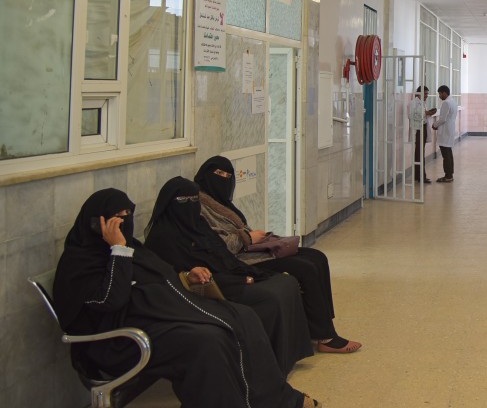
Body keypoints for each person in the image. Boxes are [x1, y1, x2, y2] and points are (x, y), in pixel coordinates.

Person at [54, 189, 317, 408]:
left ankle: (276, 401)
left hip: (155, 318)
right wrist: (118, 250)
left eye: (127, 216)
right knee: (208, 340)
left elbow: (159, 276)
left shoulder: (134, 248)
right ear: (95, 222)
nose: (123, 223)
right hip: (119, 339)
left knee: (242, 317)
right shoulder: (80, 262)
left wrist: (185, 277)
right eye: (115, 219)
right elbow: (111, 300)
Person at [144, 177, 313, 374]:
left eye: (193, 199)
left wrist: (245, 272)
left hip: (228, 275)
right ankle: (265, 366)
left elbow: (221, 254)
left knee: (287, 283)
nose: (189, 206)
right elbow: (180, 277)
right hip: (207, 287)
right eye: (183, 200)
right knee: (270, 298)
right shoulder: (162, 237)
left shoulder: (198, 224)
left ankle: (287, 357)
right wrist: (240, 280)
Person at [194, 156, 361, 353]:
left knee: (317, 258)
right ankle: (326, 336)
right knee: (305, 269)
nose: (223, 179)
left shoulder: (221, 202)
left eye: (228, 175)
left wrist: (254, 237)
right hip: (241, 260)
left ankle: (319, 325)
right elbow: (217, 244)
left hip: (254, 250)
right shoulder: (200, 207)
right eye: (218, 174)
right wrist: (247, 237)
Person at [409, 86, 435, 183]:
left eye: (427, 94)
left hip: (423, 128)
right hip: (418, 129)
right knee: (419, 153)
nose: (427, 96)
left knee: (420, 153)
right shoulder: (413, 103)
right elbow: (411, 115)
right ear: (419, 93)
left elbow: (422, 114)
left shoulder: (422, 103)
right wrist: (426, 113)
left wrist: (428, 113)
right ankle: (420, 176)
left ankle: (419, 175)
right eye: (425, 94)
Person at [431, 85, 457, 183]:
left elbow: (442, 119)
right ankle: (450, 174)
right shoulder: (453, 101)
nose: (439, 96)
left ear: (444, 93)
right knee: (449, 153)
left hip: (445, 131)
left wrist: (434, 125)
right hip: (449, 129)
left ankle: (448, 176)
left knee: (446, 155)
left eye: (440, 94)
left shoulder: (446, 103)